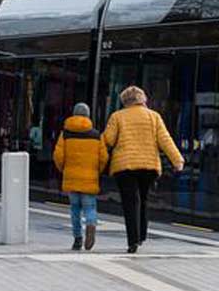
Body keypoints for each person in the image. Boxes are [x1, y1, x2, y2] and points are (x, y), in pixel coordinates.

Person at [102, 86, 184, 254]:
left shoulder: (117, 116)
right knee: (144, 199)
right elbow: (165, 140)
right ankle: (142, 235)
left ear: (125, 101)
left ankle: (133, 241)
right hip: (148, 166)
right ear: (143, 99)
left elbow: (108, 140)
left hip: (124, 167)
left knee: (130, 202)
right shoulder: (154, 117)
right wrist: (177, 160)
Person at [53, 102, 108, 251]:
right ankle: (91, 224)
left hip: (71, 177)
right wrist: (97, 170)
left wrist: (64, 169)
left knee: (74, 209)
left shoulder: (65, 134)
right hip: (90, 179)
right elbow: (103, 157)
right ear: (88, 115)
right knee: (90, 208)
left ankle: (77, 239)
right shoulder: (96, 135)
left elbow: (58, 156)